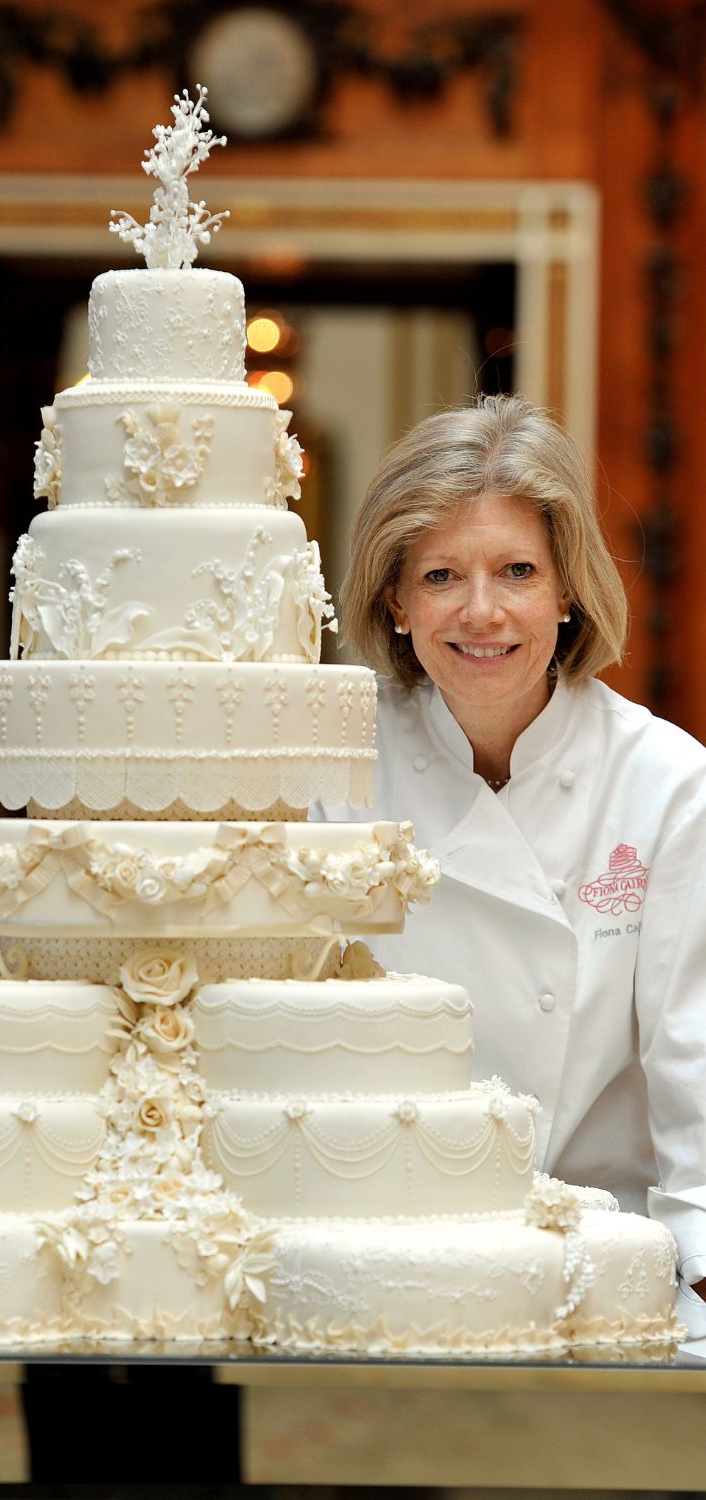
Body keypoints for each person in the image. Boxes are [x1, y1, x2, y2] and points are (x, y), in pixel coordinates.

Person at [317, 393, 706, 1335]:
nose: (481, 611)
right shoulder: (327, 764)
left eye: (518, 571)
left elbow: (692, 1053)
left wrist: (701, 1275)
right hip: (379, 1252)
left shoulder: (664, 781)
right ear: (396, 600)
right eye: (442, 574)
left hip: (596, 1257)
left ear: (567, 590)